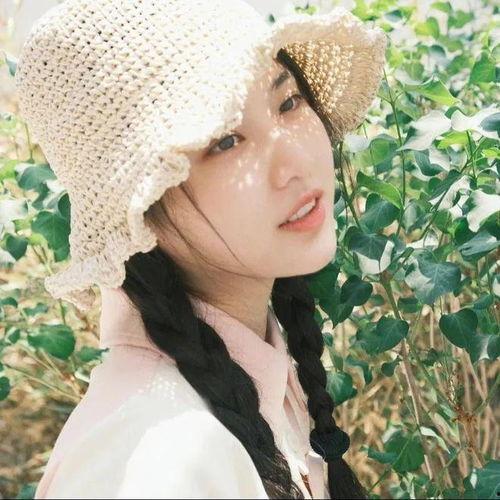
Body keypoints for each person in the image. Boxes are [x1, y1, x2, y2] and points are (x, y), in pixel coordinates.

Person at [14, 0, 387, 498]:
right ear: (139, 204)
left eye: (288, 102)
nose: (295, 162)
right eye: (226, 141)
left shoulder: (258, 380)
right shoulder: (157, 464)